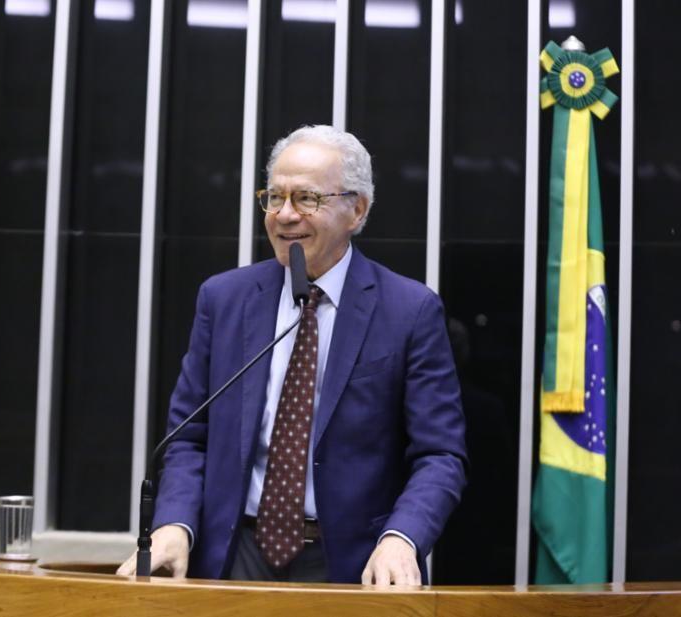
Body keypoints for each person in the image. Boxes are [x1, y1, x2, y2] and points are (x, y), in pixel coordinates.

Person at [118, 125, 467, 585]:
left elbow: (440, 454)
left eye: (306, 199)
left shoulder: (409, 310)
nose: (284, 215)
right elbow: (189, 437)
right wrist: (174, 523)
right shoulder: (224, 300)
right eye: (274, 197)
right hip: (233, 555)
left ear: (356, 209)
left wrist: (402, 538)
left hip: (352, 565)